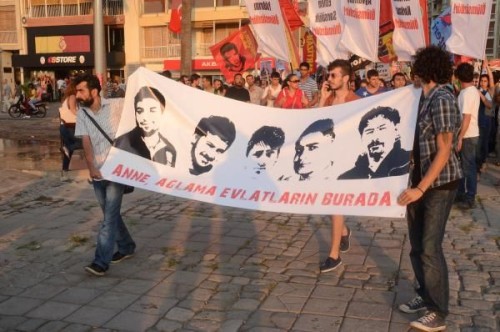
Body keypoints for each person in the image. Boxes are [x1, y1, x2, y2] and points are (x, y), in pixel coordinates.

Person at [397, 46, 463, 332]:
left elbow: (445, 149)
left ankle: (437, 311)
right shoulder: (422, 99)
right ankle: (424, 295)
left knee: (429, 247)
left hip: (438, 184)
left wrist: (421, 189)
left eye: (415, 68)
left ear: (424, 70)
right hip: (418, 182)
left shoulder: (443, 99)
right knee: (416, 246)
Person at [74, 73, 136, 276]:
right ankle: (126, 246)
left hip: (117, 170)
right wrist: (91, 166)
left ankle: (101, 261)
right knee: (110, 213)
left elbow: (138, 102)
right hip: (98, 171)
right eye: (76, 91)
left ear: (94, 91)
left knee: (108, 218)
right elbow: (85, 140)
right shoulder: (82, 113)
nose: (78, 95)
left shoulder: (117, 105)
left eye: (81, 90)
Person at [317, 59, 359, 273]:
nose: (329, 79)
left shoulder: (356, 101)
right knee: (323, 203)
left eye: (333, 75)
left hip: (344, 161)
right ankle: (343, 231)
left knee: (335, 205)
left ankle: (334, 255)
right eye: (328, 75)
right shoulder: (328, 99)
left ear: (345, 78)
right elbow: (313, 123)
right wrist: (322, 100)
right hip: (324, 159)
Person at [338, 106, 411, 179]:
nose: (375, 138)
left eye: (382, 129)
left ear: (396, 131)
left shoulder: (409, 162)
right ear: (361, 138)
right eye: (369, 131)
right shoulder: (347, 178)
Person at [114, 86, 176, 166]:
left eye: (152, 110)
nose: (145, 118)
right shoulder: (122, 143)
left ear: (162, 112)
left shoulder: (170, 148)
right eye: (140, 111)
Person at [454, 62, 480, 210]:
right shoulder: (468, 91)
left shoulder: (469, 92)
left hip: (468, 135)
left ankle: (469, 197)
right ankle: (461, 193)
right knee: (463, 166)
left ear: (458, 77)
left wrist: (460, 137)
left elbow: (467, 117)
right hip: (467, 134)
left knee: (468, 167)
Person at [59, 81, 82, 175]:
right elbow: (73, 110)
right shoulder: (72, 97)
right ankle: (66, 147)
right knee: (83, 143)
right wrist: (83, 116)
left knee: (69, 151)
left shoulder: (67, 97)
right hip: (70, 126)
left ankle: (65, 169)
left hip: (65, 126)